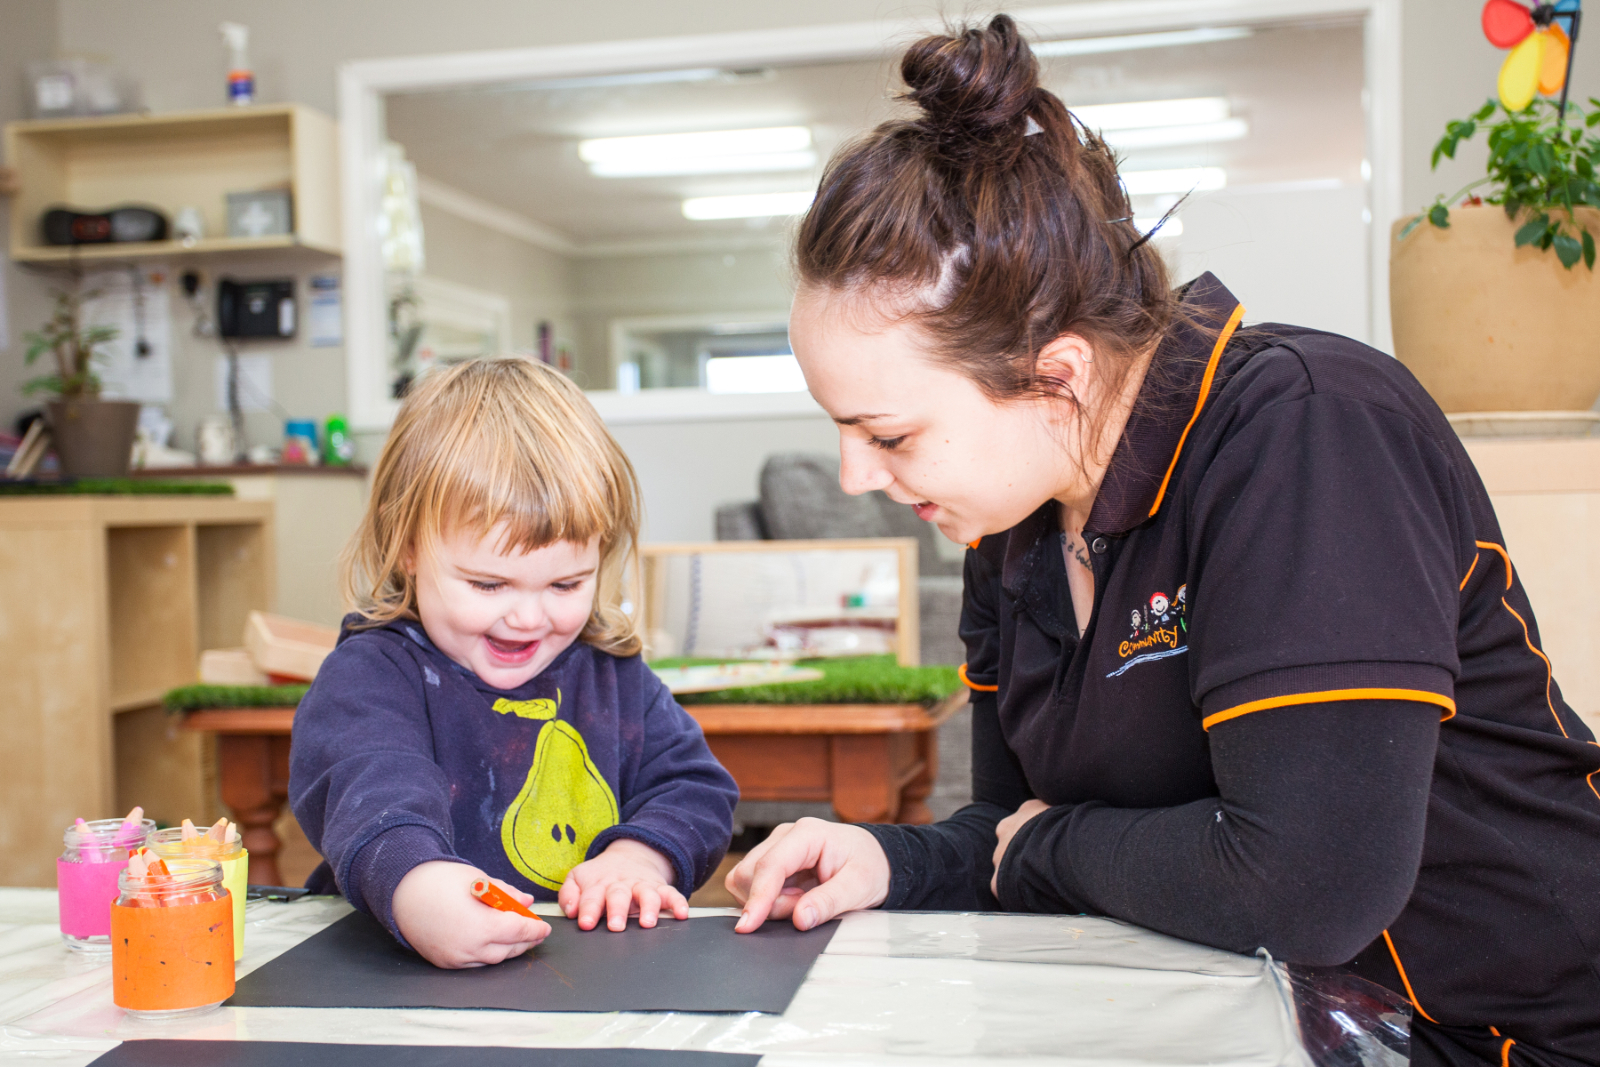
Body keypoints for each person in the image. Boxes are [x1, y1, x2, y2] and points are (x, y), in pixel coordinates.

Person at [725, 16, 1600, 1066]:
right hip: (1262, 1013)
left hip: (1510, 1033)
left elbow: (1308, 882)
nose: (855, 477)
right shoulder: (1012, 526)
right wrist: (889, 859)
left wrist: (1043, 845)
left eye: (888, 434)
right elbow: (1014, 833)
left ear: (1058, 375)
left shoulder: (1309, 430)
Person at [290, 358, 738, 969]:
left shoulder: (614, 675)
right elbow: (372, 790)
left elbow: (694, 788)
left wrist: (640, 858)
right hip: (394, 976)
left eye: (565, 584)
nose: (528, 619)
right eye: (489, 584)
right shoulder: (371, 676)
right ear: (409, 548)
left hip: (583, 975)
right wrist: (418, 886)